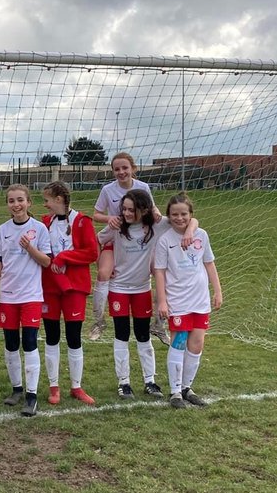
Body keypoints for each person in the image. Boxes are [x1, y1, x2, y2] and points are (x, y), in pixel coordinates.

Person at [98, 189, 196, 399]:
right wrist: (107, 255)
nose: (126, 213)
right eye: (123, 209)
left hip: (142, 288)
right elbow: (99, 238)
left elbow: (188, 220)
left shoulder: (157, 225)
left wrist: (189, 232)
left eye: (131, 210)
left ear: (144, 209)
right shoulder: (117, 226)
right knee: (121, 335)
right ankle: (123, 383)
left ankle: (150, 381)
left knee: (143, 336)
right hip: (119, 290)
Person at [0, 184, 53, 417]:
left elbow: (46, 262)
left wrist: (30, 248)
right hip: (8, 297)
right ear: (7, 204)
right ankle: (17, 389)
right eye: (11, 201)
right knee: (11, 344)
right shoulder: (3, 230)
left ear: (29, 202)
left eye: (20, 200)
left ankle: (32, 396)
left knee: (29, 342)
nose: (16, 204)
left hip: (31, 295)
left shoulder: (40, 228)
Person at [89, 152, 168, 344]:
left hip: (140, 238)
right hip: (115, 236)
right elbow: (96, 215)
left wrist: (156, 214)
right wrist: (110, 219)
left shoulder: (143, 187)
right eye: (117, 169)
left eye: (125, 168)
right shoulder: (108, 190)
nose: (121, 172)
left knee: (159, 274)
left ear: (133, 168)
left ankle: (158, 325)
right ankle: (98, 322)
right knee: (104, 273)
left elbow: (152, 207)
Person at [154, 193, 223, 409]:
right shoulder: (165, 240)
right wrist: (162, 302)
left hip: (200, 300)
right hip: (178, 300)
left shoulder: (201, 235)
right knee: (179, 341)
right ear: (169, 216)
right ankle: (175, 392)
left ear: (191, 215)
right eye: (174, 214)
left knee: (197, 343)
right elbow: (159, 272)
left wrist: (218, 291)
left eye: (184, 214)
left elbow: (209, 264)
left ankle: (186, 387)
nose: (179, 218)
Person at [39, 181, 99, 405]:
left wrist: (65, 257)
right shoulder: (45, 223)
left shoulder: (82, 222)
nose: (44, 205)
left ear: (58, 200)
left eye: (46, 200)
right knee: (51, 336)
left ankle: (76, 386)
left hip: (75, 286)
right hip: (50, 287)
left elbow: (91, 253)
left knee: (74, 337)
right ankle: (54, 387)